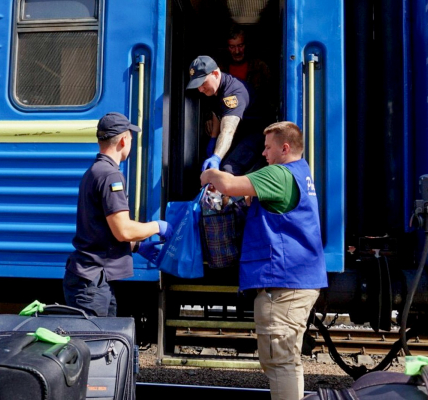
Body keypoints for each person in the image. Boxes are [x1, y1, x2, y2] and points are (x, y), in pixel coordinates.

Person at [200, 121, 328, 400]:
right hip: (293, 280)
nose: (263, 154)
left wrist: (211, 171)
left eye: (268, 148)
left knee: (279, 361)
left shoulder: (279, 174)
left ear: (285, 148)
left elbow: (229, 184)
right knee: (287, 360)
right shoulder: (300, 173)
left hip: (283, 284)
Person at [63, 112, 174, 317]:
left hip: (93, 279)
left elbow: (101, 229)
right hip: (92, 282)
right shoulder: (110, 175)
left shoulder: (94, 171)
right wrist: (159, 226)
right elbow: (123, 230)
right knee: (95, 345)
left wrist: (139, 246)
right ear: (124, 140)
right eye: (131, 137)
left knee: (107, 342)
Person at [186, 55, 262, 176]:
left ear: (215, 74)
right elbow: (218, 113)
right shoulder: (213, 89)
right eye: (197, 85)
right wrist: (213, 139)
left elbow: (228, 131)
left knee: (228, 168)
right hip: (239, 134)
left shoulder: (233, 93)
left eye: (203, 83)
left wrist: (216, 157)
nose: (200, 89)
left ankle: (228, 195)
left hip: (256, 133)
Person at [225, 26, 275, 128]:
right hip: (229, 120)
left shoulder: (260, 67)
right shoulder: (222, 69)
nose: (237, 51)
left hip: (256, 122)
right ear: (227, 48)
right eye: (232, 47)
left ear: (246, 45)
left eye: (240, 45)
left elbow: (271, 96)